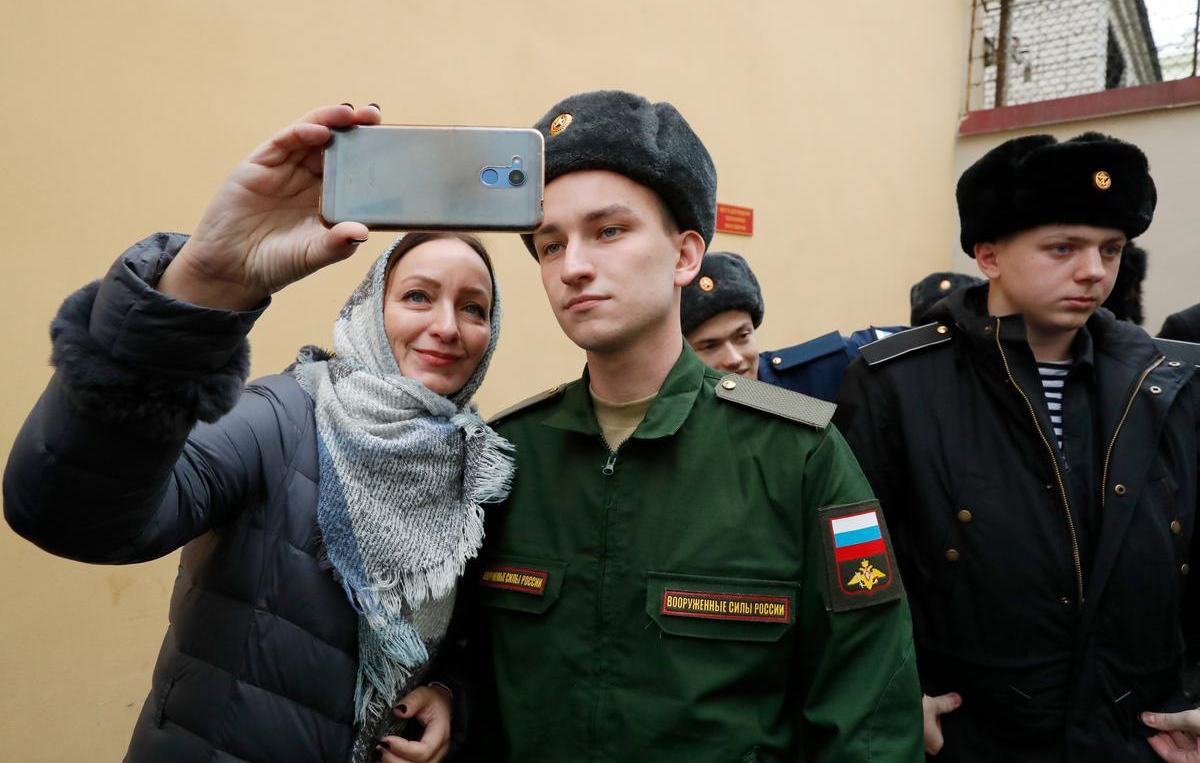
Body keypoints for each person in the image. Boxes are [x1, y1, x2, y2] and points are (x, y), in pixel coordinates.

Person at [3, 104, 514, 763]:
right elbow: (72, 515)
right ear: (367, 313)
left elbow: (474, 637)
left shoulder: (482, 471)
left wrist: (449, 693)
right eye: (417, 296)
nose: (447, 326)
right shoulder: (281, 416)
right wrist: (205, 284)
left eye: (474, 308)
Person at [463, 90, 923, 762]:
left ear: (685, 257)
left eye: (609, 231)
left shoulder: (798, 454)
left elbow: (869, 711)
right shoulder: (509, 455)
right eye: (549, 245)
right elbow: (468, 662)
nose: (573, 266)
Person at [836, 131, 1200, 761]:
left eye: (1110, 250)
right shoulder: (897, 383)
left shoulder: (1171, 383)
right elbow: (854, 550)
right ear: (989, 255)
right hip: (973, 737)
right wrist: (893, 688)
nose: (1093, 271)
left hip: (1139, 739)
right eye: (1062, 247)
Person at [679, 251, 904, 399]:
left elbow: (885, 345)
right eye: (710, 346)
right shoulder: (676, 419)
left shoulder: (803, 383)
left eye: (742, 336)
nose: (735, 358)